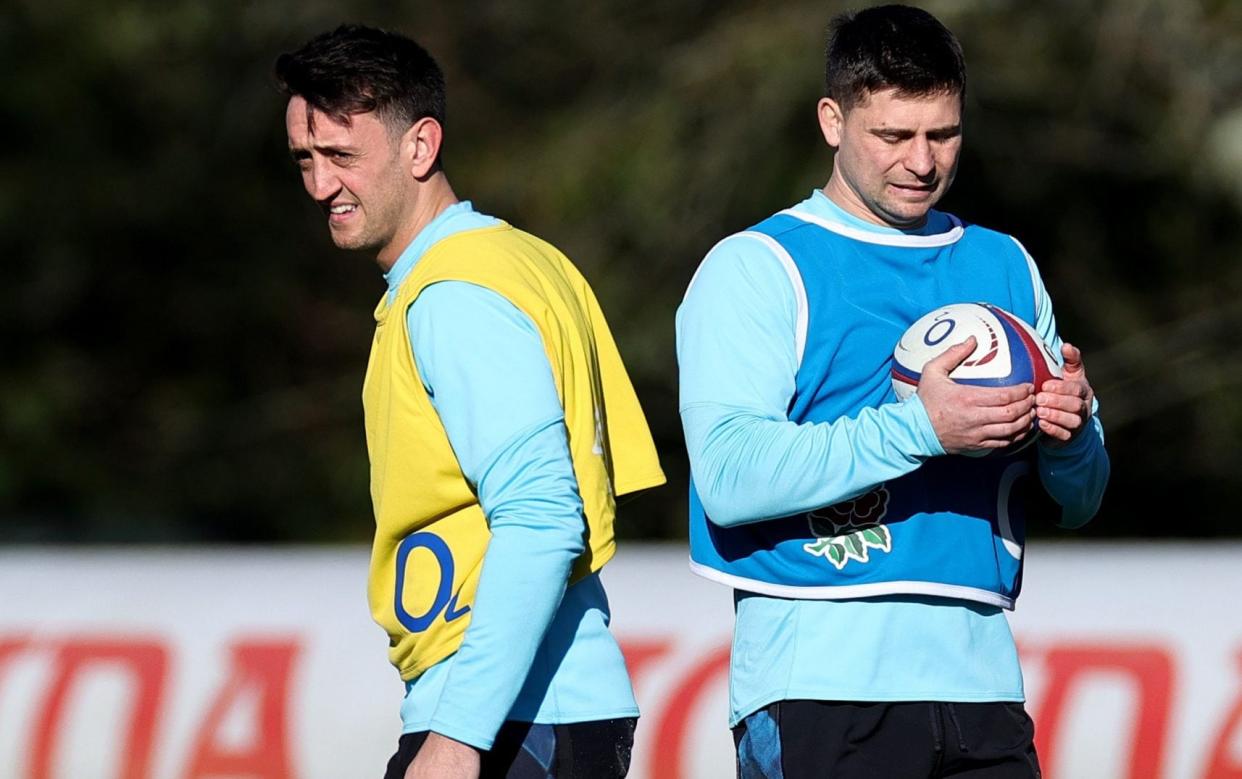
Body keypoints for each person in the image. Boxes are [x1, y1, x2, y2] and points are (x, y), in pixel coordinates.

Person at [677, 5, 1109, 777]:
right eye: (893, 136)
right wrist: (919, 428)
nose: (921, 161)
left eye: (942, 134)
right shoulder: (756, 267)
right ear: (832, 121)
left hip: (984, 688)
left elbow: (1078, 498)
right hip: (819, 688)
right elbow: (728, 474)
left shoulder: (1006, 265)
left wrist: (1072, 432)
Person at [276, 25, 665, 779]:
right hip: (546, 710)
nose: (320, 185)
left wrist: (457, 735)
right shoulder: (518, 258)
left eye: (342, 156)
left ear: (420, 147)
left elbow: (544, 514)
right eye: (305, 159)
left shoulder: (454, 294)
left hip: (511, 720)